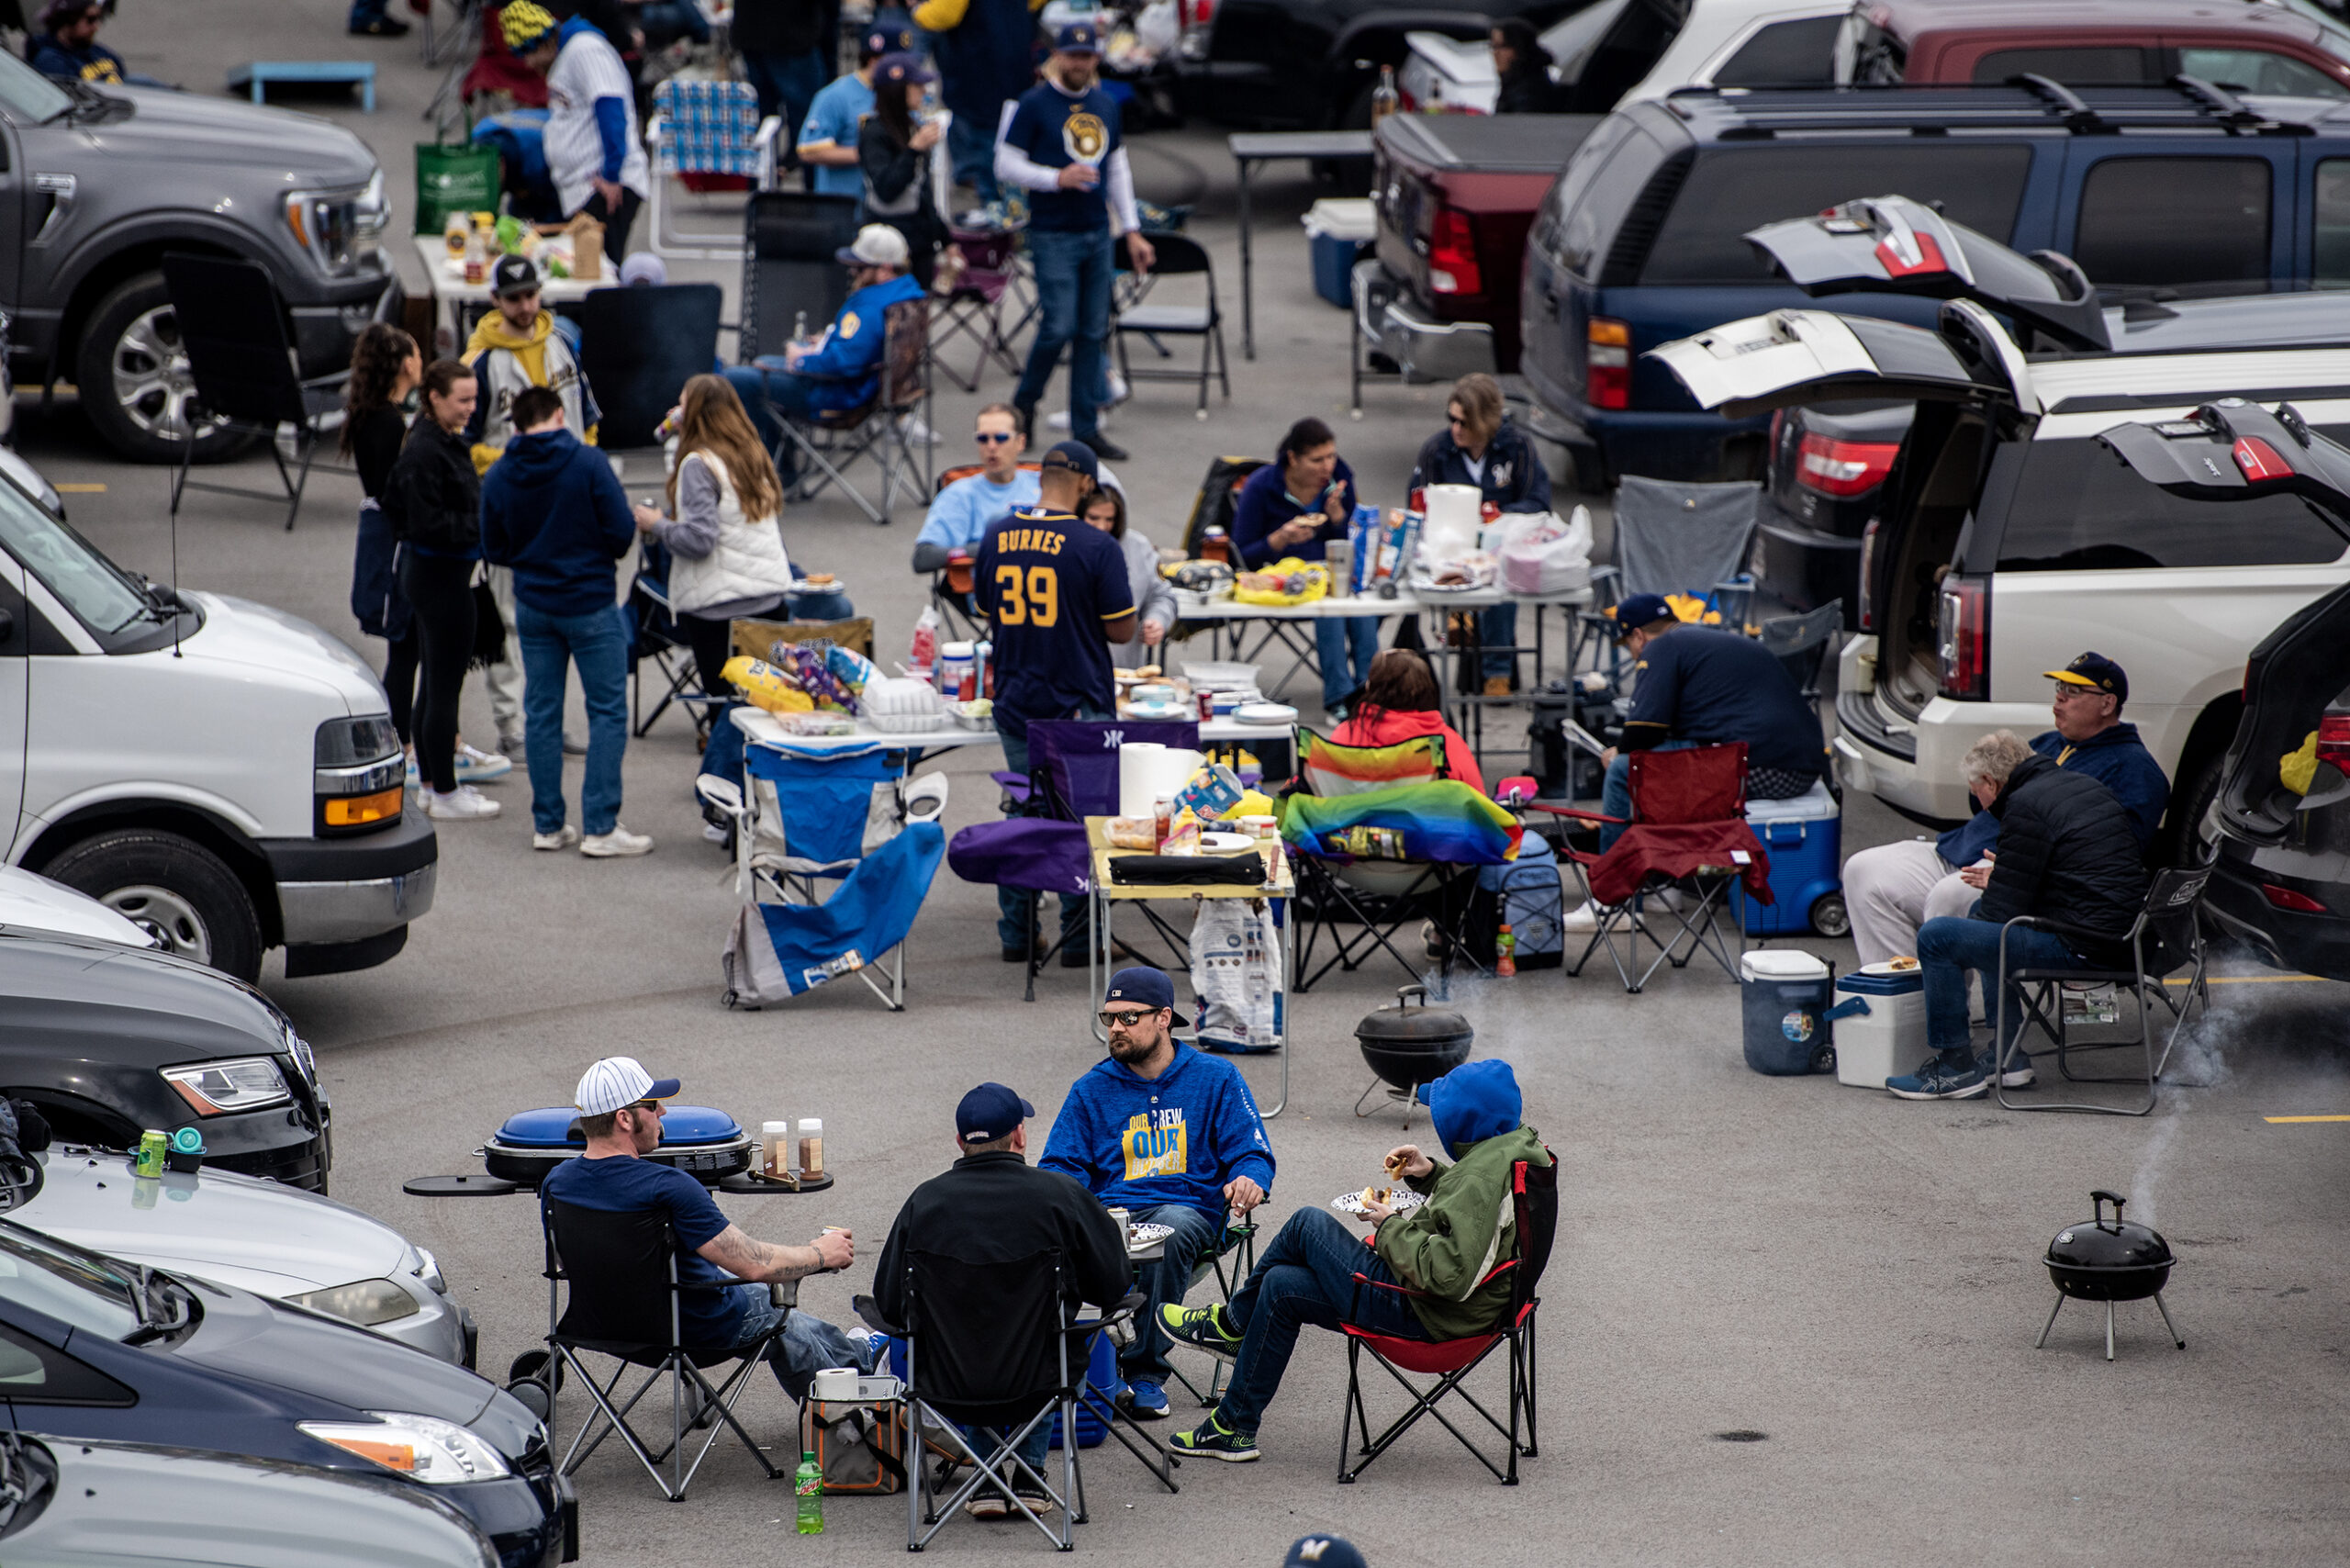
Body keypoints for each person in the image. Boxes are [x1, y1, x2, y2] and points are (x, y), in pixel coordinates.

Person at [1165, 1059, 1547, 1462]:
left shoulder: (1478, 1181)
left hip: (1430, 1317)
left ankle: (1230, 1325)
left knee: (1305, 1225)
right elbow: (1476, 1217)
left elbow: (1450, 1274)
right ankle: (1233, 1428)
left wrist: (1388, 1228)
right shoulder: (1511, 1150)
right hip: (1468, 1310)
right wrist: (1431, 1173)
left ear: (1462, 1123)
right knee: (1279, 1286)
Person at [541, 1057, 884, 1399]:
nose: (662, 1113)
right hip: (693, 1329)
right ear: (625, 1119)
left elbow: (564, 1263)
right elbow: (754, 1263)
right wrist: (820, 1254)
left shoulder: (557, 1183)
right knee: (777, 1312)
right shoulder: (670, 1187)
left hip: (599, 1326)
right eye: (653, 1105)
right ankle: (841, 1413)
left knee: (763, 1300)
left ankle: (862, 1356)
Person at [872, 1081, 1131, 1518]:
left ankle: (985, 1476)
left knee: (976, 1340)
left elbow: (890, 1304)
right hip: (1045, 1383)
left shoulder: (924, 1202)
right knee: (1052, 1340)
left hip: (948, 1386)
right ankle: (1029, 1474)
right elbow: (1113, 1285)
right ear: (1020, 1135)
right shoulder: (1060, 1196)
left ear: (959, 1142)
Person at [1039, 968, 1273, 1420]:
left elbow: (1252, 1151)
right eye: (1109, 1018)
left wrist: (1250, 1179)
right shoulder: (1090, 1089)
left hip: (1190, 1215)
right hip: (1110, 1219)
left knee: (1169, 1227)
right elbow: (1059, 1167)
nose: (1115, 1029)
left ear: (1164, 1018)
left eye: (1129, 1017)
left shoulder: (1215, 1078)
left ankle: (1144, 1372)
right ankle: (1060, 1369)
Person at [1845, 652, 2170, 968]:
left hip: (2024, 879)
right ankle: (1901, 999)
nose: (2059, 699)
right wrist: (1982, 778)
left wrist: (2018, 872)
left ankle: (1945, 1010)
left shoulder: (2137, 770)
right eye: (2059, 689)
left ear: (2107, 703)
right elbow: (1984, 807)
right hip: (1962, 850)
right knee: (1865, 870)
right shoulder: (2047, 744)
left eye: (2073, 691)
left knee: (1948, 896)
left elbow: (2115, 859)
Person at [1887, 732, 2152, 1102]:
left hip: (2084, 946)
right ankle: (2008, 1056)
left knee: (1940, 936)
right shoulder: (2079, 785)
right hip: (2121, 935)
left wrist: (2002, 885)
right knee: (1980, 921)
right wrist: (2010, 875)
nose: (1978, 804)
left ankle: (1954, 1067)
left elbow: (2001, 913)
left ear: (1992, 784)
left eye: (1975, 791)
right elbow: (2075, 873)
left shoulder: (2025, 806)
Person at [975, 440, 1136, 960]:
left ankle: (1016, 934)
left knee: (1025, 810)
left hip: (1017, 698)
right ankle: (1080, 937)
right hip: (1079, 705)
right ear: (1086, 483)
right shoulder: (1096, 546)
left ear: (1039, 477)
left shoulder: (998, 535)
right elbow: (1120, 629)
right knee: (1083, 819)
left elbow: (983, 606)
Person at [479, 386, 648, 857]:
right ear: (559, 415)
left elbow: (493, 549)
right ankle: (600, 826)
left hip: (534, 605)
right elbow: (620, 534)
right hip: (591, 603)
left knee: (542, 713)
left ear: (515, 424)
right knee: (608, 712)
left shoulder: (500, 473)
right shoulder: (589, 463)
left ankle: (548, 825)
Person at [632, 375, 853, 699]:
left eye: (683, 404)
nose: (676, 410)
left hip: (718, 610)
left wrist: (657, 524)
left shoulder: (697, 465)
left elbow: (698, 540)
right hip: (768, 599)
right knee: (772, 703)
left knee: (725, 710)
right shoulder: (751, 452)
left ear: (694, 413)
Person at [995, 22, 1153, 464]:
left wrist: (1132, 228)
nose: (1079, 63)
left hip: (1096, 232)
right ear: (1057, 57)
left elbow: (1117, 167)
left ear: (1096, 59)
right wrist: (1055, 178)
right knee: (1058, 326)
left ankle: (1087, 427)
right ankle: (1024, 404)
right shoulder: (1034, 104)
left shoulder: (1105, 104)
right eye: (1071, 55)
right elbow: (1005, 164)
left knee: (1092, 331)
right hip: (1053, 232)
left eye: (1086, 56)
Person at [1578, 590, 1824, 872]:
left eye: (1630, 646)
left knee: (1626, 769)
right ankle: (1665, 878)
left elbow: (1644, 730)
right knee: (1667, 770)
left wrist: (1617, 751)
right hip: (1800, 764)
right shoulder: (1700, 640)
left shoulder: (1661, 647)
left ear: (1638, 636)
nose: (1633, 655)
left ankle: (1614, 891)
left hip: (1768, 769)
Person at [380, 360, 503, 824]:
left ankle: (433, 786)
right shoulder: (425, 453)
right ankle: (447, 790)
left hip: (438, 577)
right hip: (441, 579)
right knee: (442, 687)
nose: (472, 408)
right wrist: (481, 526)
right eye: (464, 400)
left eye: (475, 399)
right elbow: (424, 520)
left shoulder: (434, 443)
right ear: (434, 397)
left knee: (435, 683)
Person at [722, 224, 927, 458]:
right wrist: (827, 342)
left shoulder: (870, 305)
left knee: (735, 380)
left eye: (859, 268)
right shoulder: (909, 294)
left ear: (885, 269)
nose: (852, 273)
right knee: (762, 363)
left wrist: (802, 360)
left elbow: (846, 363)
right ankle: (779, 457)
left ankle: (776, 467)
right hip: (867, 389)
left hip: (840, 395)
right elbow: (864, 346)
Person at [1409, 373, 1552, 696]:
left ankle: (1497, 672)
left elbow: (1538, 502)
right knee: (1450, 567)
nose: (1456, 429)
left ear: (1487, 421)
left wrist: (1500, 516)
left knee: (1501, 573)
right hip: (1448, 549)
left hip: (1500, 546)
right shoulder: (1436, 450)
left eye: (1465, 423)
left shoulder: (1517, 448)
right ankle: (1459, 620)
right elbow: (1416, 505)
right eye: (1452, 420)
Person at [1231, 418, 1375, 718]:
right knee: (1329, 604)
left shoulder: (1341, 479)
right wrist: (1279, 539)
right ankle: (1341, 696)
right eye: (1317, 460)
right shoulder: (1261, 486)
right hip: (1280, 580)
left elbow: (1351, 544)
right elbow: (1241, 557)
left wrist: (1338, 520)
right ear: (1293, 458)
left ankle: (1372, 690)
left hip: (1331, 571)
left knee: (1358, 604)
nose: (1327, 466)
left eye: (1331, 456)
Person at [504, 1, 651, 262]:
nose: (528, 64)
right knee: (583, 272)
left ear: (541, 43)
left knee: (598, 274)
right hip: (585, 188)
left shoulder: (584, 50)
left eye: (527, 55)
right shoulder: (566, 57)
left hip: (604, 186)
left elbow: (611, 107)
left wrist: (612, 175)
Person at [343, 325, 423, 778]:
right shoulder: (390, 422)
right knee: (406, 644)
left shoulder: (375, 414)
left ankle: (408, 736)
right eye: (415, 352)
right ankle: (404, 741)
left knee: (407, 646)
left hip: (381, 531)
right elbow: (396, 488)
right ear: (403, 363)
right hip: (394, 539)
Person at [915, 0, 1031, 211]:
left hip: (975, 85)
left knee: (979, 175)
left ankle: (985, 225)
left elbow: (941, 15)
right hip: (1015, 82)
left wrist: (916, 10)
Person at [1331, 648, 1484, 792]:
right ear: (1426, 690)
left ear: (1370, 688)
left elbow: (1328, 801)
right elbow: (1478, 809)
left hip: (1362, 820)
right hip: (1432, 820)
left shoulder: (1345, 736)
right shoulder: (1448, 744)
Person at [913, 403, 1042, 574]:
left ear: (1021, 442)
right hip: (986, 595)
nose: (991, 446)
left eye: (1001, 438)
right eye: (983, 439)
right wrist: (989, 549)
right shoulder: (959, 495)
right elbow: (923, 557)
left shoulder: (1043, 486)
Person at [859, 53, 949, 289]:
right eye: (917, 85)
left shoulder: (912, 127)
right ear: (897, 91)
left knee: (917, 320)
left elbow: (923, 193)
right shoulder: (874, 133)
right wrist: (913, 151)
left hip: (920, 245)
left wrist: (947, 240)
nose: (924, 91)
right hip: (888, 253)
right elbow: (886, 189)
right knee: (890, 321)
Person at [1079, 481, 1175, 672]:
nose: (1101, 527)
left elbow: (1162, 595)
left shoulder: (1138, 547)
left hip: (1124, 672)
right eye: (1093, 518)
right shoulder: (1065, 547)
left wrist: (1157, 620)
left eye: (1109, 520)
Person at [798, 27, 897, 205]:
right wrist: (872, 154)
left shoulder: (902, 93)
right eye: (897, 61)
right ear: (875, 61)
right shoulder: (836, 95)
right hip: (843, 208)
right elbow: (809, 150)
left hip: (891, 207)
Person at [733, 0, 830, 155]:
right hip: (792, 34)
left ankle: (771, 171)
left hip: (755, 29)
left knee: (764, 123)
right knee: (809, 128)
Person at [28, 0, 159, 83]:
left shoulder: (101, 52)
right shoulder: (50, 61)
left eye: (99, 18)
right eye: (90, 19)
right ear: (68, 19)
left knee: (139, 80)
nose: (96, 26)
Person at [1490, 18, 1563, 114]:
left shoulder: (1530, 91)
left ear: (1519, 48)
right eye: (1493, 46)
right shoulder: (1513, 83)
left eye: (1503, 46)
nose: (1496, 53)